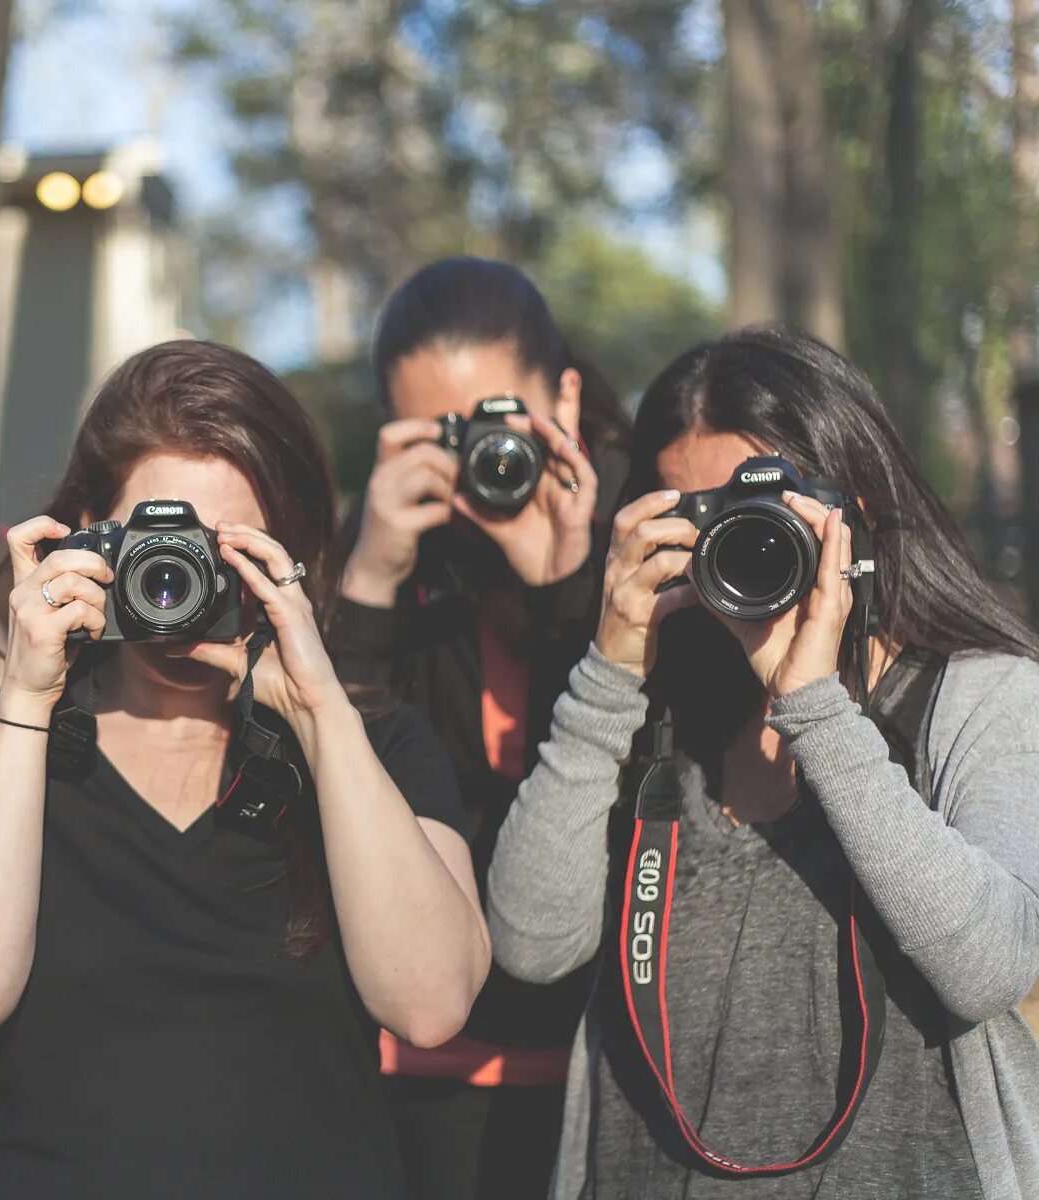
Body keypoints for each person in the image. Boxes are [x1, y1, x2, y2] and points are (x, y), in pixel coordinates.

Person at [0, 339, 491, 1199]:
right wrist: (26, 691)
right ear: (88, 534)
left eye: (220, 548)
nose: (178, 577)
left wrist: (319, 714)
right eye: (154, 542)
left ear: (286, 552)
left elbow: (431, 1006)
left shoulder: (374, 744)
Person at [488, 324, 1039, 1199]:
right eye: (698, 519)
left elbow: (990, 967)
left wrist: (814, 703)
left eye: (767, 507)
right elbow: (530, 943)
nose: (738, 542)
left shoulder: (982, 697)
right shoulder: (654, 712)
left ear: (859, 509)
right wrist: (608, 669)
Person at [327, 256, 629, 1197]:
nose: (488, 460)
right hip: (415, 1069)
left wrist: (569, 592)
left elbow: (629, 793)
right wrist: (371, 581)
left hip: (607, 1064)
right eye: (446, 435)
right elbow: (328, 784)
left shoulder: (638, 538)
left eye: (504, 422)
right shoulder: (386, 556)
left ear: (565, 398)